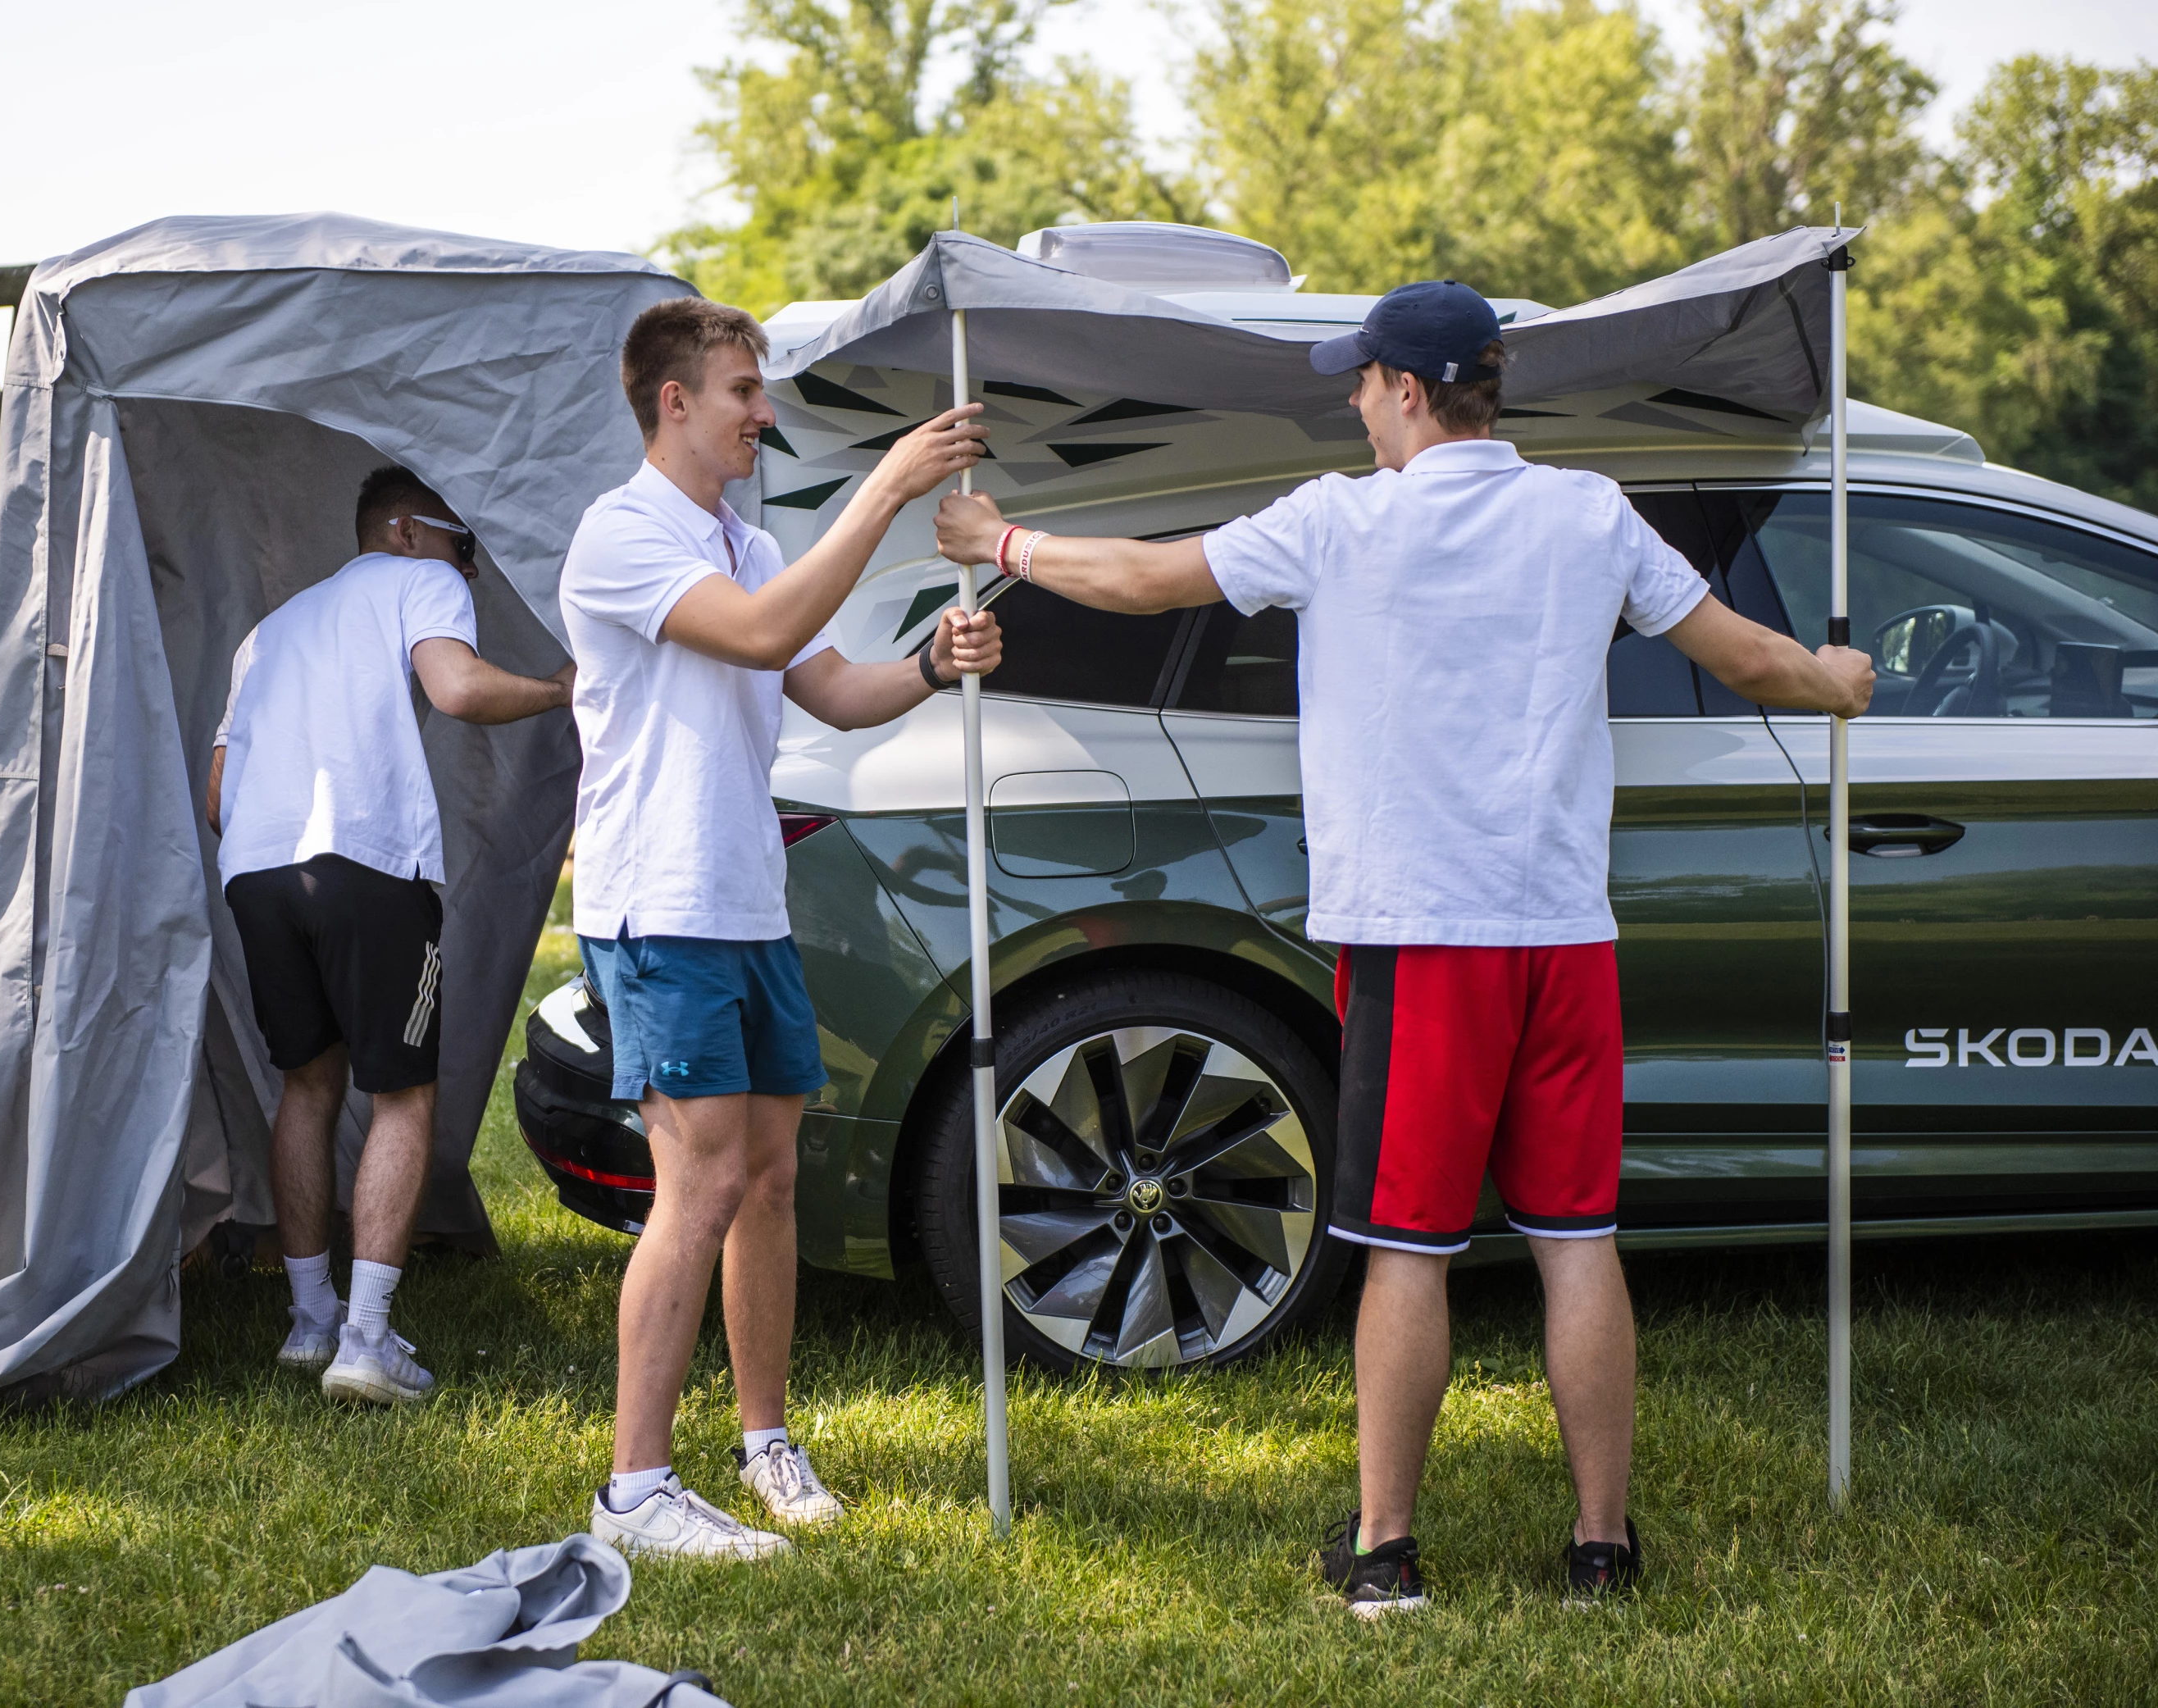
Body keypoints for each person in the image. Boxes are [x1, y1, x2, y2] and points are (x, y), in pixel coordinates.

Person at [934, 280, 1875, 1615]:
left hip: (1423, 942)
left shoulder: (1340, 521)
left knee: (1409, 1250)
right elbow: (1756, 662)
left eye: (1365, 382)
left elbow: (1146, 581)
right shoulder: (1589, 512)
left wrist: (1002, 536)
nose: (1356, 403)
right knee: (1575, 1240)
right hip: (1562, 934)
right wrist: (1839, 679)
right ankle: (1602, 1548)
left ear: (1414, 391)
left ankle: (1384, 1552)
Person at [562, 298, 998, 1561]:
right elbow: (757, 634)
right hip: (662, 900)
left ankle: (764, 1439)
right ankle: (636, 1489)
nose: (765, 411)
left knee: (767, 1180)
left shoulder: (744, 542)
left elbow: (831, 687)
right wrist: (891, 486)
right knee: (694, 1184)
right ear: (674, 401)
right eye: (745, 389)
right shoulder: (621, 536)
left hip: (745, 898)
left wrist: (931, 664)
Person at [209, 466, 575, 1406]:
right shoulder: (423, 577)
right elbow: (454, 689)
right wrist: (558, 689)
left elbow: (216, 794)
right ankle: (368, 1340)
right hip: (367, 862)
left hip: (256, 869)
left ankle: (309, 1319)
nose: (473, 570)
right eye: (468, 546)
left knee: (308, 1080)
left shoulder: (268, 632)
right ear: (410, 532)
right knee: (405, 1095)